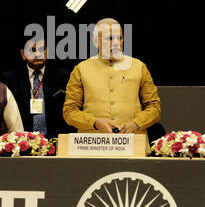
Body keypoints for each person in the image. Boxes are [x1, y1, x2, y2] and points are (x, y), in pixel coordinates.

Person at [63, 18, 161, 154]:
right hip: (92, 147)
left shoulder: (139, 67)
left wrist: (136, 123)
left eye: (119, 38)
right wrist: (95, 122)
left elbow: (154, 107)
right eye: (109, 38)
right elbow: (69, 111)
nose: (115, 43)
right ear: (96, 41)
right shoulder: (81, 69)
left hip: (133, 145)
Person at [1, 35, 76, 139]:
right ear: (23, 54)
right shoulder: (10, 79)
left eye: (42, 49)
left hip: (56, 140)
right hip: (22, 142)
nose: (37, 54)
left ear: (47, 52)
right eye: (32, 50)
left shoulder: (63, 76)